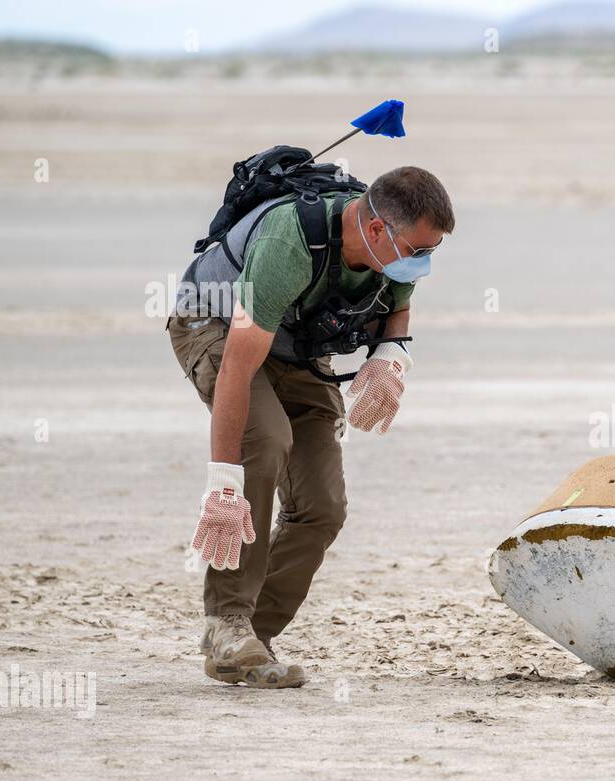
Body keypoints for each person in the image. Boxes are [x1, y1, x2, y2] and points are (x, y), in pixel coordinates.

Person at [168, 166, 454, 689]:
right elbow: (237, 366)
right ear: (374, 230)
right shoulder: (289, 244)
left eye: (432, 251)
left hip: (295, 347)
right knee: (266, 439)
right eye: (419, 249)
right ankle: (227, 623)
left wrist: (391, 358)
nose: (424, 261)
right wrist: (223, 485)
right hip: (217, 327)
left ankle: (250, 637)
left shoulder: (389, 253)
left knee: (322, 505)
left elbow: (397, 308)